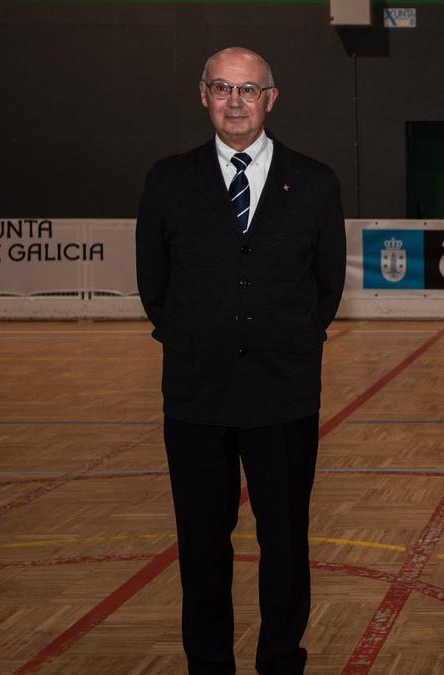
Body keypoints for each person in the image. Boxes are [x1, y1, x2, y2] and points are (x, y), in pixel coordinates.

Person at [135, 47, 346, 674]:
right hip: (197, 394)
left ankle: (281, 660)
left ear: (270, 99)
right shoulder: (168, 180)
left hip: (284, 392)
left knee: (285, 542)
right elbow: (153, 284)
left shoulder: (315, 182)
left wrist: (285, 339)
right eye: (223, 88)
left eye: (248, 89)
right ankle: (209, 664)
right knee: (202, 544)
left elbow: (328, 286)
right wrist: (201, 337)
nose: (235, 101)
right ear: (203, 94)